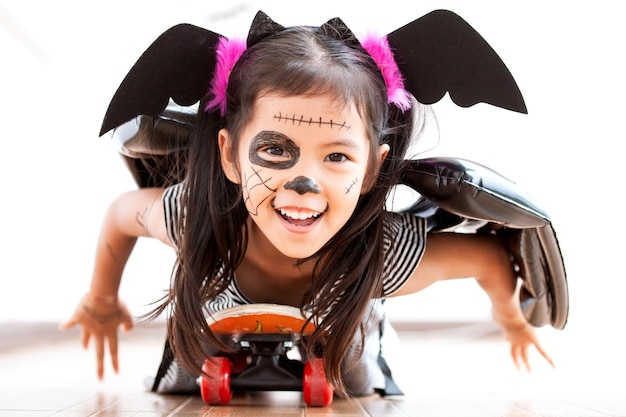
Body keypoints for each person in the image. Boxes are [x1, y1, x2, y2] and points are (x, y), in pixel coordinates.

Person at [61, 10, 555, 398]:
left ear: (372, 171)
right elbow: (122, 212)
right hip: (216, 318)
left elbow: (489, 258)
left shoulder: (385, 253)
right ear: (231, 156)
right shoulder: (193, 216)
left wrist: (511, 321)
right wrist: (102, 299)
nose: (304, 184)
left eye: (337, 156)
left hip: (344, 321)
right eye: (275, 150)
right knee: (182, 373)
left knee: (356, 379)